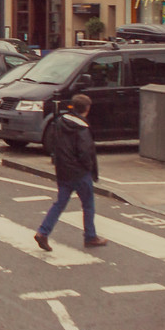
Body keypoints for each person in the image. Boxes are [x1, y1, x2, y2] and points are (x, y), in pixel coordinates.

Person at [35, 94, 108, 252]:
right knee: (88, 204)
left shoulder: (60, 122)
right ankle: (90, 236)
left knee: (60, 203)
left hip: (63, 170)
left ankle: (43, 232)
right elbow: (85, 151)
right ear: (87, 109)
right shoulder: (82, 128)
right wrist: (88, 168)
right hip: (79, 172)